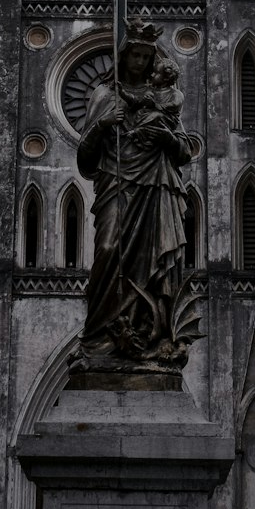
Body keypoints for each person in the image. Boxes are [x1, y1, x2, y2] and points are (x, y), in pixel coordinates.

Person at [74, 19, 194, 368]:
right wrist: (101, 126)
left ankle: (148, 335)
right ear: (124, 56)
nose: (140, 62)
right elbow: (84, 159)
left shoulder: (165, 98)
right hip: (116, 182)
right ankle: (98, 337)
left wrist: (165, 139)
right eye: (135, 55)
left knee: (154, 263)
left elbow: (185, 150)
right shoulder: (104, 95)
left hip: (156, 186)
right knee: (109, 249)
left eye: (146, 56)